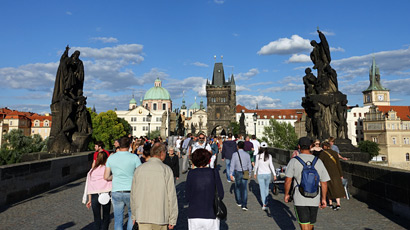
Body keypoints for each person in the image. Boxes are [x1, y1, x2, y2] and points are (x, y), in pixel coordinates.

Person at [284, 137, 330, 230]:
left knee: (304, 226)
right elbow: (324, 182)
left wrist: (286, 194)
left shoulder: (294, 161)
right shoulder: (318, 161)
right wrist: (324, 199)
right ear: (310, 146)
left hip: (300, 198)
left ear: (299, 146)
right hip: (315, 197)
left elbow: (288, 180)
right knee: (310, 225)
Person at [131, 143, 178, 230]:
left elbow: (133, 195)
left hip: (142, 216)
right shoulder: (166, 170)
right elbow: (171, 196)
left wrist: (134, 215)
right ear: (162, 153)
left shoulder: (139, 169)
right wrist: (173, 219)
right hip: (161, 217)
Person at [104, 136, 142, 230]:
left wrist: (115, 176)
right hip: (131, 190)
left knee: (118, 219)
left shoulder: (111, 158)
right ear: (129, 145)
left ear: (119, 145)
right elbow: (140, 174)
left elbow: (106, 176)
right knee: (131, 216)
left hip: (116, 190)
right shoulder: (134, 158)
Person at [186, 149, 224, 229]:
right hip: (211, 213)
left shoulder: (191, 174)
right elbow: (220, 194)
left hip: (194, 213)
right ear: (208, 160)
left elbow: (187, 196)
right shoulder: (214, 173)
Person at [83, 152, 112, 230]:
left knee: (96, 218)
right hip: (106, 194)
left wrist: (89, 199)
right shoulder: (108, 169)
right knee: (106, 217)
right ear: (106, 159)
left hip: (94, 195)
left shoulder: (92, 171)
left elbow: (90, 186)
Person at [319, 141, 345, 210]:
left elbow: (320, 163)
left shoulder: (322, 154)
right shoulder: (335, 153)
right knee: (337, 187)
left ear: (324, 146)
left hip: (326, 172)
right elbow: (338, 164)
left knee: (328, 187)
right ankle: (338, 203)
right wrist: (341, 174)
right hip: (336, 173)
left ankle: (330, 203)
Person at [253, 142, 276, 210]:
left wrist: (254, 173)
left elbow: (256, 165)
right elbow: (271, 165)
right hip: (268, 174)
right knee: (266, 188)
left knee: (262, 189)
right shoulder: (269, 156)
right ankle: (266, 199)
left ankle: (264, 203)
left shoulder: (258, 156)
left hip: (260, 174)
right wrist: (274, 174)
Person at [230, 141, 252, 211]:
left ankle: (239, 201)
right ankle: (244, 204)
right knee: (244, 188)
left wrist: (231, 173)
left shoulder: (234, 154)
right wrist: (250, 173)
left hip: (237, 172)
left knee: (237, 187)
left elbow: (232, 165)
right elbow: (249, 165)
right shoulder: (247, 155)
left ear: (237, 147)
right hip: (245, 172)